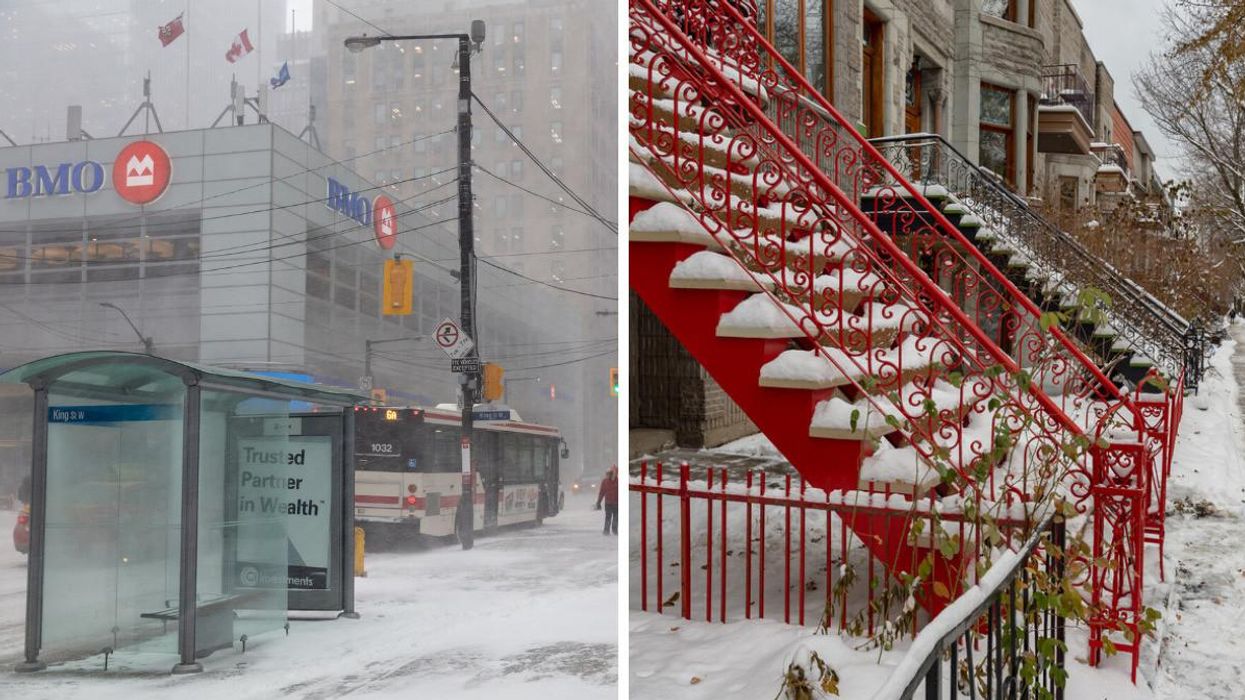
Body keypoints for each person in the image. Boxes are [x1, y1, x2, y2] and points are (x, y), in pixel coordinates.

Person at [595, 465, 618, 535]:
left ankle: (614, 530)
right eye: (607, 474)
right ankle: (606, 530)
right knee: (608, 517)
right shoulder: (605, 482)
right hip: (608, 503)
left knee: (616, 517)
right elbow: (602, 492)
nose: (608, 475)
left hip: (617, 503)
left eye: (610, 473)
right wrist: (598, 502)